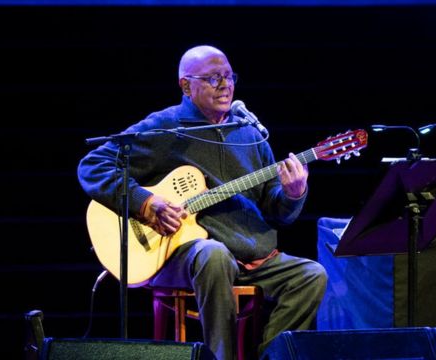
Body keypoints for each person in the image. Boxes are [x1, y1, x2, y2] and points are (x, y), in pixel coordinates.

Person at [77, 45, 327, 360]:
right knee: (213, 253)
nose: (225, 85)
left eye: (229, 76)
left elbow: (276, 211)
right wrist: (146, 203)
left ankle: (271, 357)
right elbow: (94, 165)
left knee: (311, 274)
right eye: (213, 78)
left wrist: (293, 193)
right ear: (186, 86)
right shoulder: (167, 127)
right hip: (186, 256)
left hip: (250, 256)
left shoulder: (249, 133)